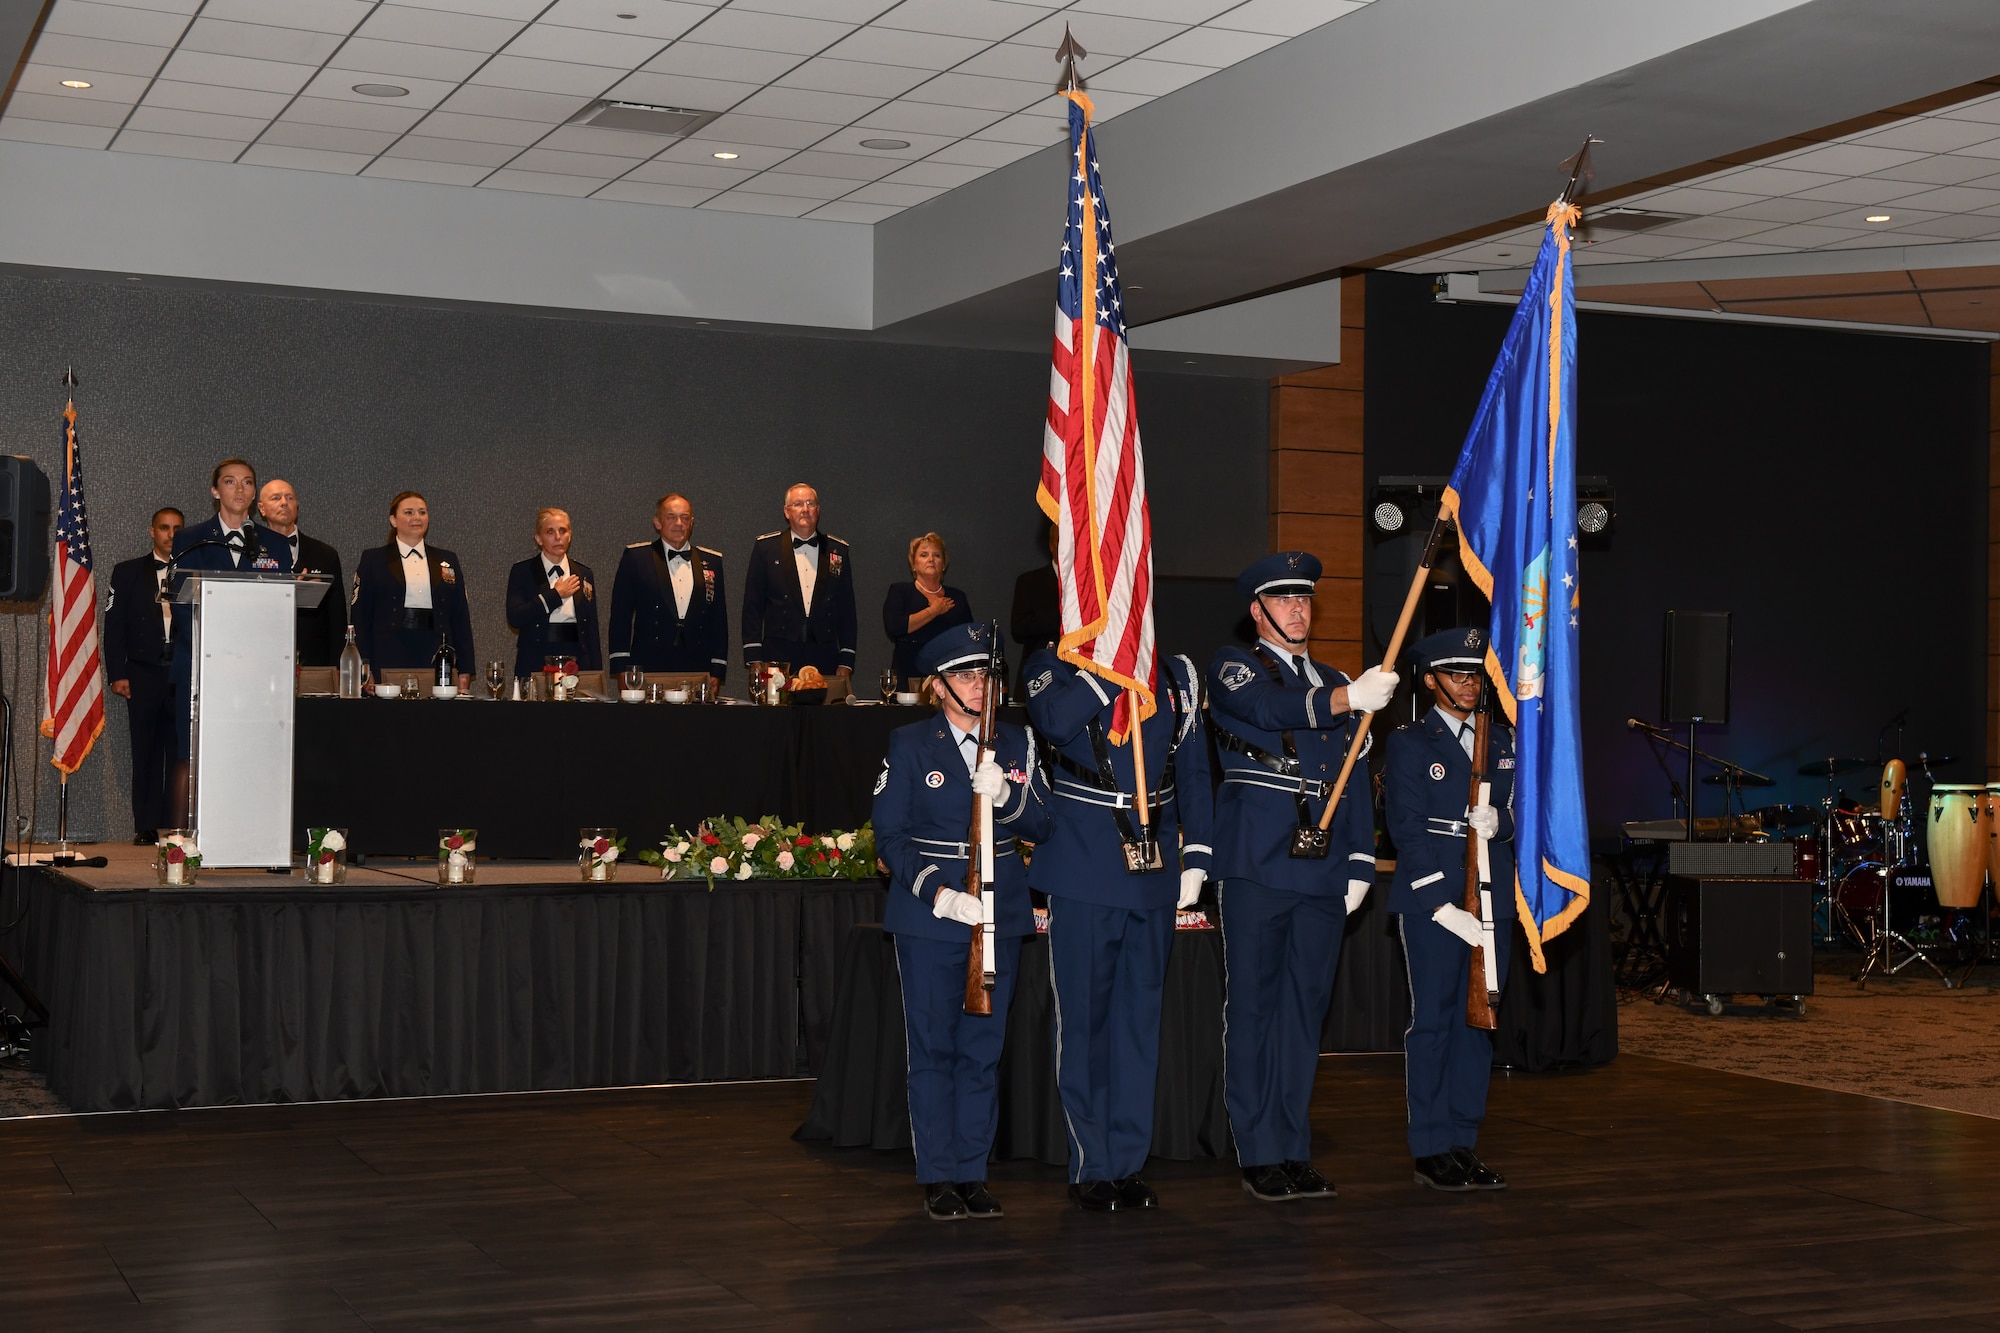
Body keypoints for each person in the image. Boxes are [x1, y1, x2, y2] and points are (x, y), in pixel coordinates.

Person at [1207, 552, 1399, 1203]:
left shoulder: (1334, 677)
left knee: (1302, 1015)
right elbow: (1265, 710)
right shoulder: (1235, 665)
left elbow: (1350, 783)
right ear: (1257, 610)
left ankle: (1291, 1145)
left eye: (1305, 599)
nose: (1297, 609)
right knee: (1255, 1010)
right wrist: (1348, 697)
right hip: (1258, 863)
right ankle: (1257, 1148)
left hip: (1320, 870)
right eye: (1282, 600)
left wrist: (1357, 863)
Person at [1021, 642, 1212, 1212]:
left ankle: (1127, 1161)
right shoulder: (1051, 664)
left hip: (1155, 868)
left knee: (1137, 1023)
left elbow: (1195, 768)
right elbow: (1055, 723)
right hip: (1085, 864)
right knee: (1084, 1021)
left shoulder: (1178, 670)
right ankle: (1092, 1162)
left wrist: (1198, 854)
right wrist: (1110, 672)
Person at [873, 623, 1053, 1221]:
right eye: (966, 676)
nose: (979, 687)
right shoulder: (909, 745)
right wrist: (939, 894)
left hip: (1000, 910)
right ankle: (938, 1175)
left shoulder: (1018, 743)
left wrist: (1010, 799)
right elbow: (891, 837)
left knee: (983, 1047)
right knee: (934, 1046)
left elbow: (1043, 825)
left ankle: (973, 1172)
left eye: (986, 675)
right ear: (938, 686)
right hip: (934, 914)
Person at [1383, 626, 1515, 1193]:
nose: (1467, 684)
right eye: (1456, 674)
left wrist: (1501, 822)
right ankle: (1431, 1146)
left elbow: (1524, 812)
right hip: (1434, 898)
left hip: (1491, 897)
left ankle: (1464, 1139)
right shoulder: (1411, 742)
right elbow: (1405, 830)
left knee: (1478, 1022)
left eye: (1474, 674)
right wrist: (1438, 902)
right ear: (1430, 679)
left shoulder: (1503, 740)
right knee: (1434, 1022)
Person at [168, 459, 292, 821]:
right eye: (230, 482)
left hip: (256, 674)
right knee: (190, 756)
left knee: (252, 754)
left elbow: (280, 606)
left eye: (247, 483)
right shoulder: (191, 539)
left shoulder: (274, 544)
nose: (240, 490)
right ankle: (181, 846)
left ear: (255, 492)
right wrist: (218, 652)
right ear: (215, 491)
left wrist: (253, 656)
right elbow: (179, 603)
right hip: (200, 665)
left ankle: (256, 833)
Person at [102, 508, 182, 844]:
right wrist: (117, 672)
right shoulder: (128, 572)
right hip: (142, 674)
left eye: (177, 529)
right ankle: (146, 825)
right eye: (164, 528)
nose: (170, 535)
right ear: (152, 532)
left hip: (182, 673)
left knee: (179, 753)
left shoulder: (194, 573)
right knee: (145, 752)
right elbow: (113, 626)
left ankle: (175, 824)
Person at [350, 491, 474, 688]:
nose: (417, 517)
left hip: (436, 652)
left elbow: (460, 617)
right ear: (393, 520)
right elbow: (360, 618)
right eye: (409, 512)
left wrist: (466, 668)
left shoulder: (448, 560)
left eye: (422, 512)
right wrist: (364, 666)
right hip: (389, 651)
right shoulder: (373, 560)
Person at [606, 493, 726, 690]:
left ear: (692, 522)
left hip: (696, 665)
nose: (679, 523)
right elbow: (620, 617)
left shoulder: (712, 561)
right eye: (671, 517)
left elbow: (718, 619)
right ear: (657, 522)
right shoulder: (637, 558)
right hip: (648, 663)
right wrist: (621, 667)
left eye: (685, 517)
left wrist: (718, 668)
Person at [741, 483, 855, 679]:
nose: (805, 509)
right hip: (778, 655)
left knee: (824, 710)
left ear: (818, 510)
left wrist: (846, 658)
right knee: (778, 710)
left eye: (810, 504)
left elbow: (846, 609)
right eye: (798, 504)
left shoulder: (838, 551)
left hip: (824, 654)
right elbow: (753, 606)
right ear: (787, 512)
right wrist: (754, 656)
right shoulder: (766, 548)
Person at [255, 478, 347, 667]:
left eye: (289, 498)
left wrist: (337, 667)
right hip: (263, 657)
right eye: (275, 498)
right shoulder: (250, 553)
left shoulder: (325, 554)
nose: (284, 503)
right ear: (261, 509)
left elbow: (337, 619)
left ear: (297, 506)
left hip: (314, 660)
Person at [506, 507, 602, 680]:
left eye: (563, 531)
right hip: (536, 658)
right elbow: (515, 617)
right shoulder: (523, 572)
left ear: (570, 535)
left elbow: (591, 630)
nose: (558, 537)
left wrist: (595, 674)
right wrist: (555, 596)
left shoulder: (583, 573)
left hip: (577, 659)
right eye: (550, 532)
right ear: (538, 538)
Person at [881, 532, 972, 689]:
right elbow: (895, 627)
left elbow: (968, 638)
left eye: (936, 555)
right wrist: (934, 610)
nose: (931, 559)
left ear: (943, 564)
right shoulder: (900, 591)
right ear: (913, 565)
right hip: (907, 677)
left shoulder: (957, 597)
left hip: (948, 678)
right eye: (924, 555)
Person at [1008, 523, 1060, 699]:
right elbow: (1019, 628)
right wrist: (1062, 618)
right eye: (1061, 541)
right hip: (1038, 671)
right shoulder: (1030, 581)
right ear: (1051, 545)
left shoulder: (1090, 585)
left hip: (1078, 676)